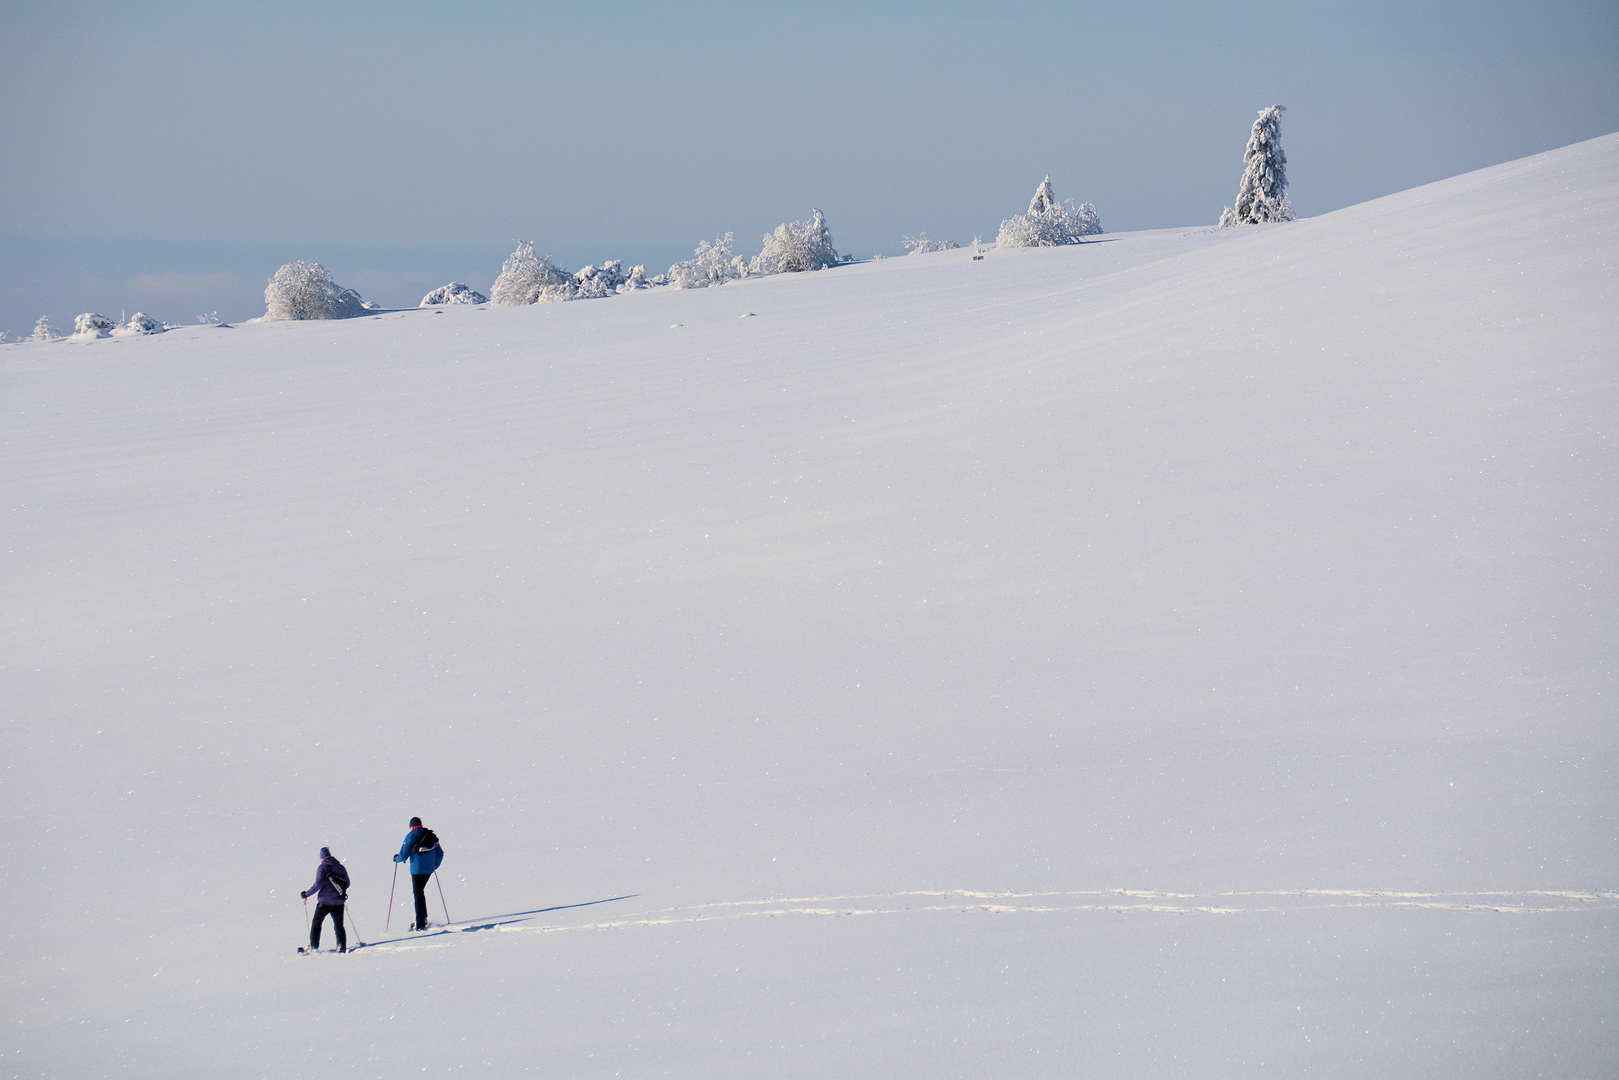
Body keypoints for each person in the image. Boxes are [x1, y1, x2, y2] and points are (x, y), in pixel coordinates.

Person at [394, 817, 444, 931]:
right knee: (420, 893)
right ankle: (423, 919)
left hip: (417, 870)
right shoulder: (429, 835)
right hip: (429, 870)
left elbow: (404, 855)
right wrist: (434, 865)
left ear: (411, 826)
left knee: (418, 894)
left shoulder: (411, 836)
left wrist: (396, 859)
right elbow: (440, 853)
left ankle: (420, 924)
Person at [301, 847, 349, 953]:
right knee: (339, 924)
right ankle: (341, 946)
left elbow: (318, 884)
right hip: (339, 901)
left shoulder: (322, 868)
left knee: (317, 922)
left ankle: (314, 946)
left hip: (325, 901)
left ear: (322, 858)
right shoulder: (341, 867)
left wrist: (307, 894)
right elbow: (347, 883)